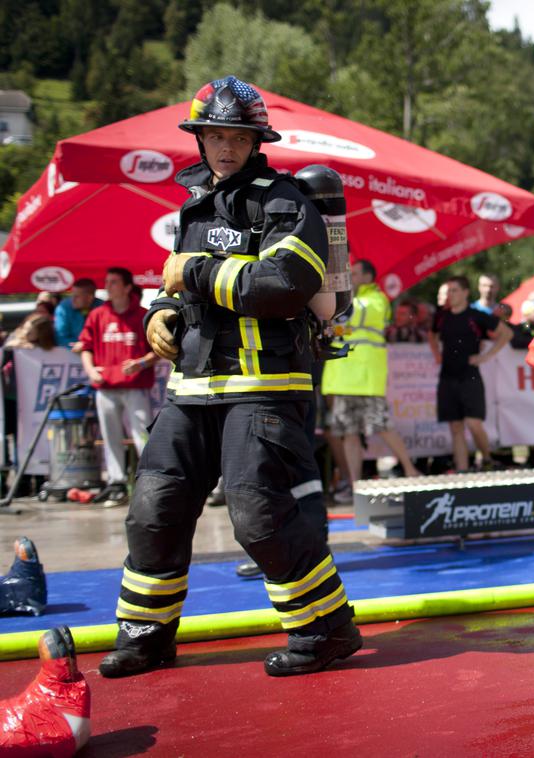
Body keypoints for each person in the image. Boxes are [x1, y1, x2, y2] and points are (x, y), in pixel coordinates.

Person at [99, 76, 360, 679]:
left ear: (255, 140)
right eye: (214, 135)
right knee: (152, 510)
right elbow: (182, 290)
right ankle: (145, 635)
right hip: (192, 388)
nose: (224, 146)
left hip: (265, 387)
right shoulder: (193, 204)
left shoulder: (285, 201)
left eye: (236, 136)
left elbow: (283, 286)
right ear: (199, 139)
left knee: (259, 516)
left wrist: (191, 270)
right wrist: (161, 316)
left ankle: (326, 632)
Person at [323, 259, 420, 504]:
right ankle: (356, 487)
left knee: (383, 426)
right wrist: (331, 327)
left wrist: (334, 302)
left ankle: (410, 470)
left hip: (366, 379)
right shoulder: (351, 300)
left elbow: (355, 318)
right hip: (344, 378)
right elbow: (342, 329)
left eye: (354, 273)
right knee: (349, 434)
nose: (350, 276)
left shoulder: (377, 300)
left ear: (368, 276)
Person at [77, 267, 156, 508]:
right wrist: (90, 370)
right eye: (107, 282)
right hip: (106, 386)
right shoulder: (98, 315)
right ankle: (116, 483)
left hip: (135, 386)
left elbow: (161, 349)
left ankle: (154, 481)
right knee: (110, 437)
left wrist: (141, 363)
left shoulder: (143, 315)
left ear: (127, 287)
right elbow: (85, 346)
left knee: (144, 434)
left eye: (113, 282)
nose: (108, 287)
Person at [430, 275, 512, 472]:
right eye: (448, 291)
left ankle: (486, 458)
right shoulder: (441, 316)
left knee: (474, 423)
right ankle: (463, 472)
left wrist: (485, 357)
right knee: (455, 427)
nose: (450, 294)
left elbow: (506, 333)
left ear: (466, 292)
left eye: (454, 290)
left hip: (470, 376)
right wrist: (436, 353)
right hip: (447, 377)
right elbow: (432, 334)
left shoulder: (476, 315)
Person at [54, 279, 100, 349]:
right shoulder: (63, 308)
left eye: (77, 296)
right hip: (70, 355)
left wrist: (86, 345)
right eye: (72, 295)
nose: (73, 299)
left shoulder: (104, 308)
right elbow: (60, 337)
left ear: (90, 298)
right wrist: (80, 345)